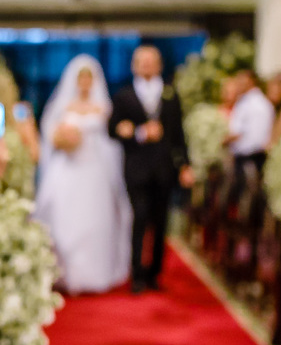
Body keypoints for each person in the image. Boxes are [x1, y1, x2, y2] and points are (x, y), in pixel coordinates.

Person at [36, 56, 132, 293]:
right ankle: (67, 273)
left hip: (94, 170)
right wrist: (63, 140)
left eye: (90, 77)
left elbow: (111, 141)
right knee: (64, 220)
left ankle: (94, 274)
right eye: (82, 78)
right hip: (69, 168)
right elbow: (50, 136)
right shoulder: (64, 106)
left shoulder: (104, 107)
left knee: (95, 222)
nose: (86, 82)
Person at [110, 45, 192, 293]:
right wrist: (138, 133)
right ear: (134, 65)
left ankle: (155, 272)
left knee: (161, 222)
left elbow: (179, 134)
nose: (146, 65)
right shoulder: (123, 95)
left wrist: (185, 165)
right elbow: (112, 129)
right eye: (141, 61)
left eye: (150, 61)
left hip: (164, 168)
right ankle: (136, 272)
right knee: (139, 217)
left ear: (159, 64)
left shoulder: (170, 94)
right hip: (136, 167)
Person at [225, 68, 275, 186]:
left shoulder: (246, 103)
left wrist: (220, 142)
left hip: (246, 159)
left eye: (241, 80)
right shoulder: (264, 102)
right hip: (259, 157)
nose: (238, 83)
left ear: (251, 81)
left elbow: (236, 133)